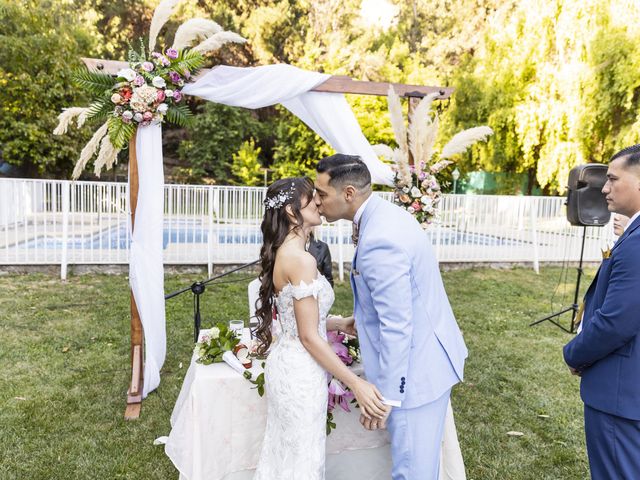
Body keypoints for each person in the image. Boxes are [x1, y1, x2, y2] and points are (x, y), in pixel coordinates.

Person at [314, 154, 468, 480]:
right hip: (432, 356)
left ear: (349, 193)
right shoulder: (386, 215)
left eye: (322, 193)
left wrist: (387, 398)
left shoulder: (379, 241)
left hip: (415, 375)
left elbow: (398, 326)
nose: (317, 200)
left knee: (412, 472)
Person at [252, 177, 386, 480]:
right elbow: (309, 337)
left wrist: (338, 323)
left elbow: (296, 321)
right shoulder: (301, 260)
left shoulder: (286, 252)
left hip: (288, 363)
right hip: (299, 371)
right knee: (301, 461)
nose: (318, 202)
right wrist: (356, 383)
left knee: (288, 455)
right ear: (290, 211)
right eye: (311, 198)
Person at [564, 145, 640, 479]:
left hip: (621, 394)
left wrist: (574, 354)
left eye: (612, 179)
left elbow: (616, 322)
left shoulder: (637, 244)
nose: (604, 188)